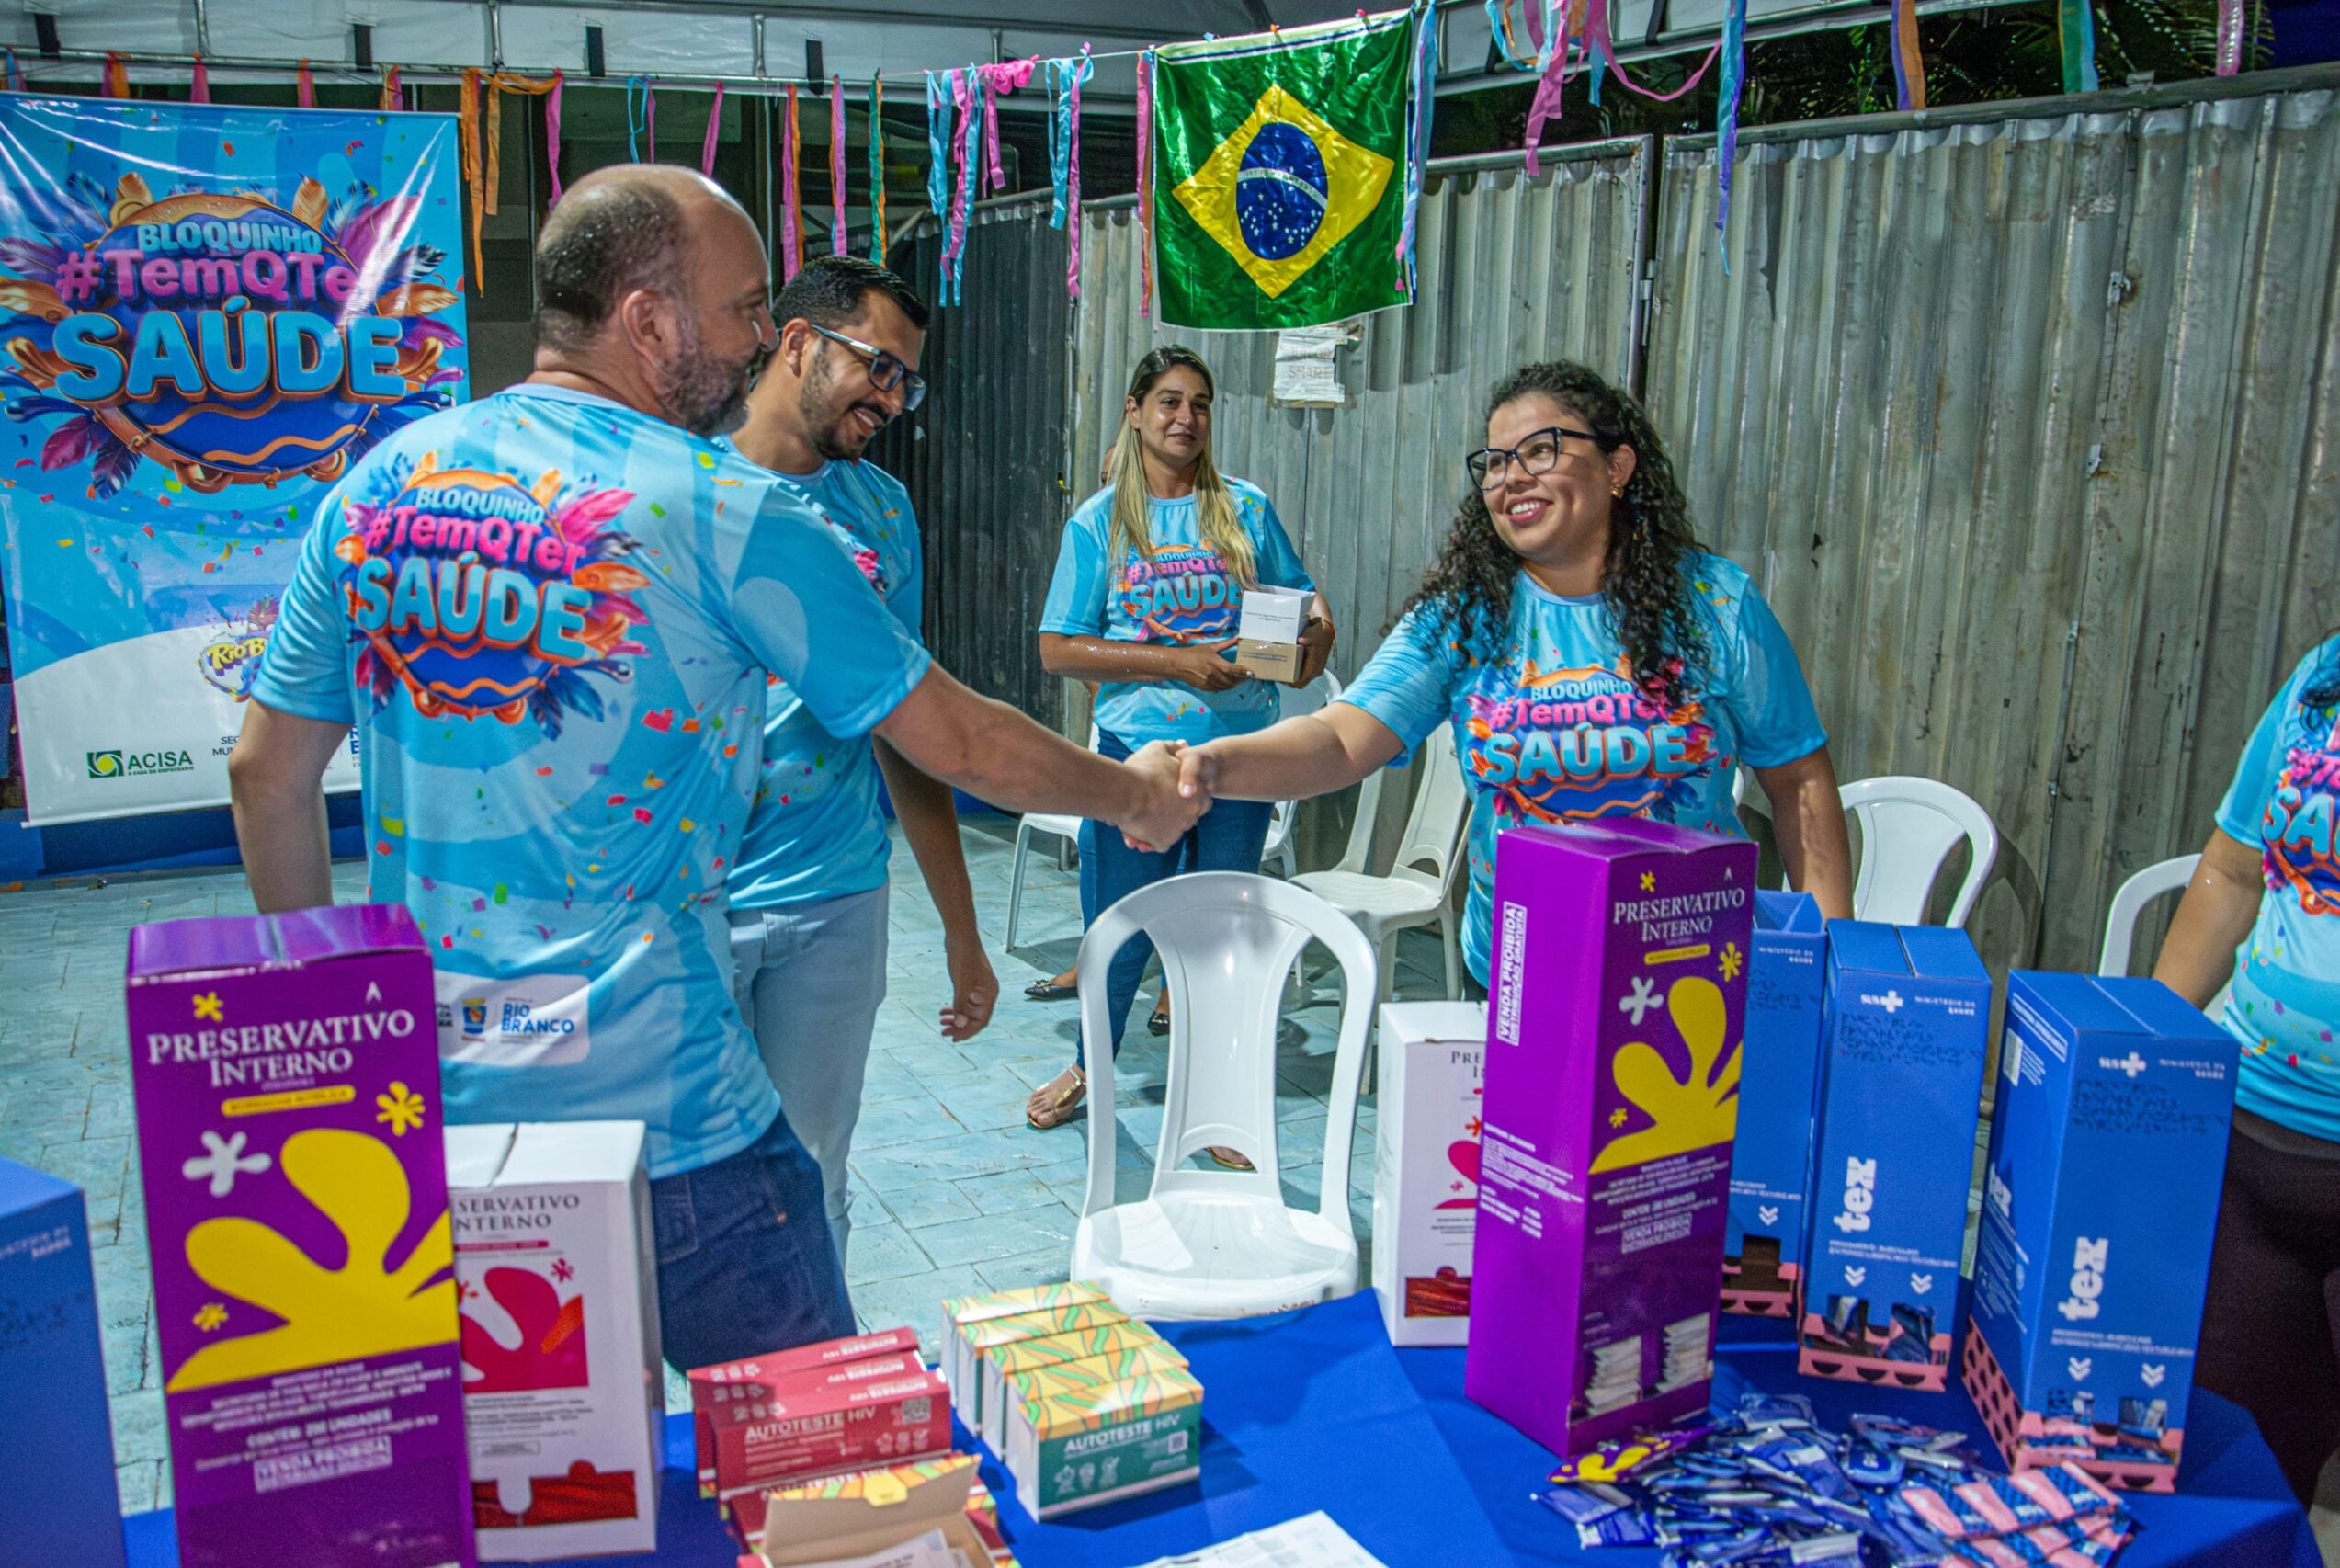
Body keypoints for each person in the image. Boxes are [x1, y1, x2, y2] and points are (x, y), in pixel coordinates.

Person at [228, 165, 1201, 1371]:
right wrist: (1137, 794)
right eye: (745, 310)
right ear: (649, 321)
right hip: (671, 1114)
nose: (757, 344)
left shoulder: (374, 490)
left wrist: (336, 1025)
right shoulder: (723, 507)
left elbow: (267, 775)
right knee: (817, 1461)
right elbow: (954, 738)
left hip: (446, 1116)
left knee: (570, 1478)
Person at [1175, 358, 1853, 993]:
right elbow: (1341, 740)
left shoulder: (1716, 603)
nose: (1510, 477)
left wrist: (1824, 958)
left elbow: (1798, 780)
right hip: (1522, 974)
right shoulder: (1465, 618)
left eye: (1541, 450)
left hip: (1694, 968)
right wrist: (1207, 766)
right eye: (1495, 463)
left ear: (1618, 466)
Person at [723, 254, 994, 1266]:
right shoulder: (680, 479)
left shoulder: (881, 509)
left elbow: (910, 726)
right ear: (797, 342)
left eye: (905, 381)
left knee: (811, 1171)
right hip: (685, 897)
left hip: (834, 891)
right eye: (879, 368)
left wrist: (962, 933)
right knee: (683, 1188)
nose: (892, 398)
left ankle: (806, 1400)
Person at [1021, 347, 1335, 1137]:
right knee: (1118, 927)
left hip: (1239, 761)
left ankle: (1220, 1100)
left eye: (1198, 403)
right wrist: (1180, 665)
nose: (1184, 418)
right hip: (1138, 765)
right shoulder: (1101, 521)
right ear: (1134, 410)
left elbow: (1301, 606)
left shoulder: (1246, 509)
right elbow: (1060, 647)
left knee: (1222, 934)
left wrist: (1313, 639)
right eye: (1167, 401)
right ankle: (1092, 1067)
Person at [2153, 630, 2340, 1506]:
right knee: (2242, 1483)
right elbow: (2233, 871)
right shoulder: (2324, 678)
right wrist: (2147, 1043)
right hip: (2249, 1157)